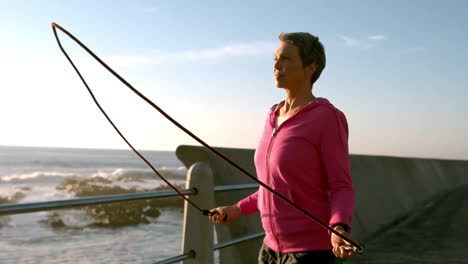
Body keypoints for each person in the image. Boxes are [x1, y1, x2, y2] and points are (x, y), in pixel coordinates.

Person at [209, 32, 357, 263]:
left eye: (286, 59)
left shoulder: (327, 118)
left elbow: (341, 185)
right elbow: (272, 187)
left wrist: (338, 227)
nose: (276, 65)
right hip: (269, 251)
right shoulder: (272, 117)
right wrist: (237, 209)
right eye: (275, 58)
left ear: (310, 67)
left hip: (309, 253)